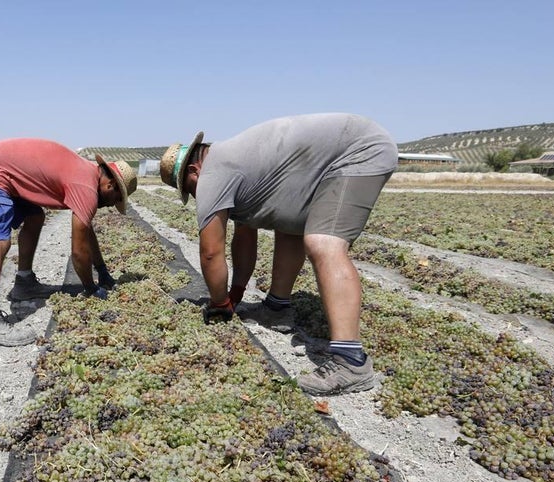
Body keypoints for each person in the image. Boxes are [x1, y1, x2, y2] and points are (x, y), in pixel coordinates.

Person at [160, 113, 397, 396]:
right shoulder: (234, 165)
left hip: (357, 151)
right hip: (330, 157)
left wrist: (219, 303)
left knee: (323, 242)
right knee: (290, 223)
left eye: (189, 190)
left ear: (193, 172)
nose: (197, 197)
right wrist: (234, 295)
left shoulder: (214, 174)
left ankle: (351, 362)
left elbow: (211, 253)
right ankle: (276, 309)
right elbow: (244, 237)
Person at [0, 138, 138, 347]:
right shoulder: (85, 186)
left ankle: (24, 283)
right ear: (110, 185)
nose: (109, 206)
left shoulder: (86, 174)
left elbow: (87, 232)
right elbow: (79, 252)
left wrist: (102, 270)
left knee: (35, 217)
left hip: (4, 169)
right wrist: (91, 288)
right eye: (114, 200)